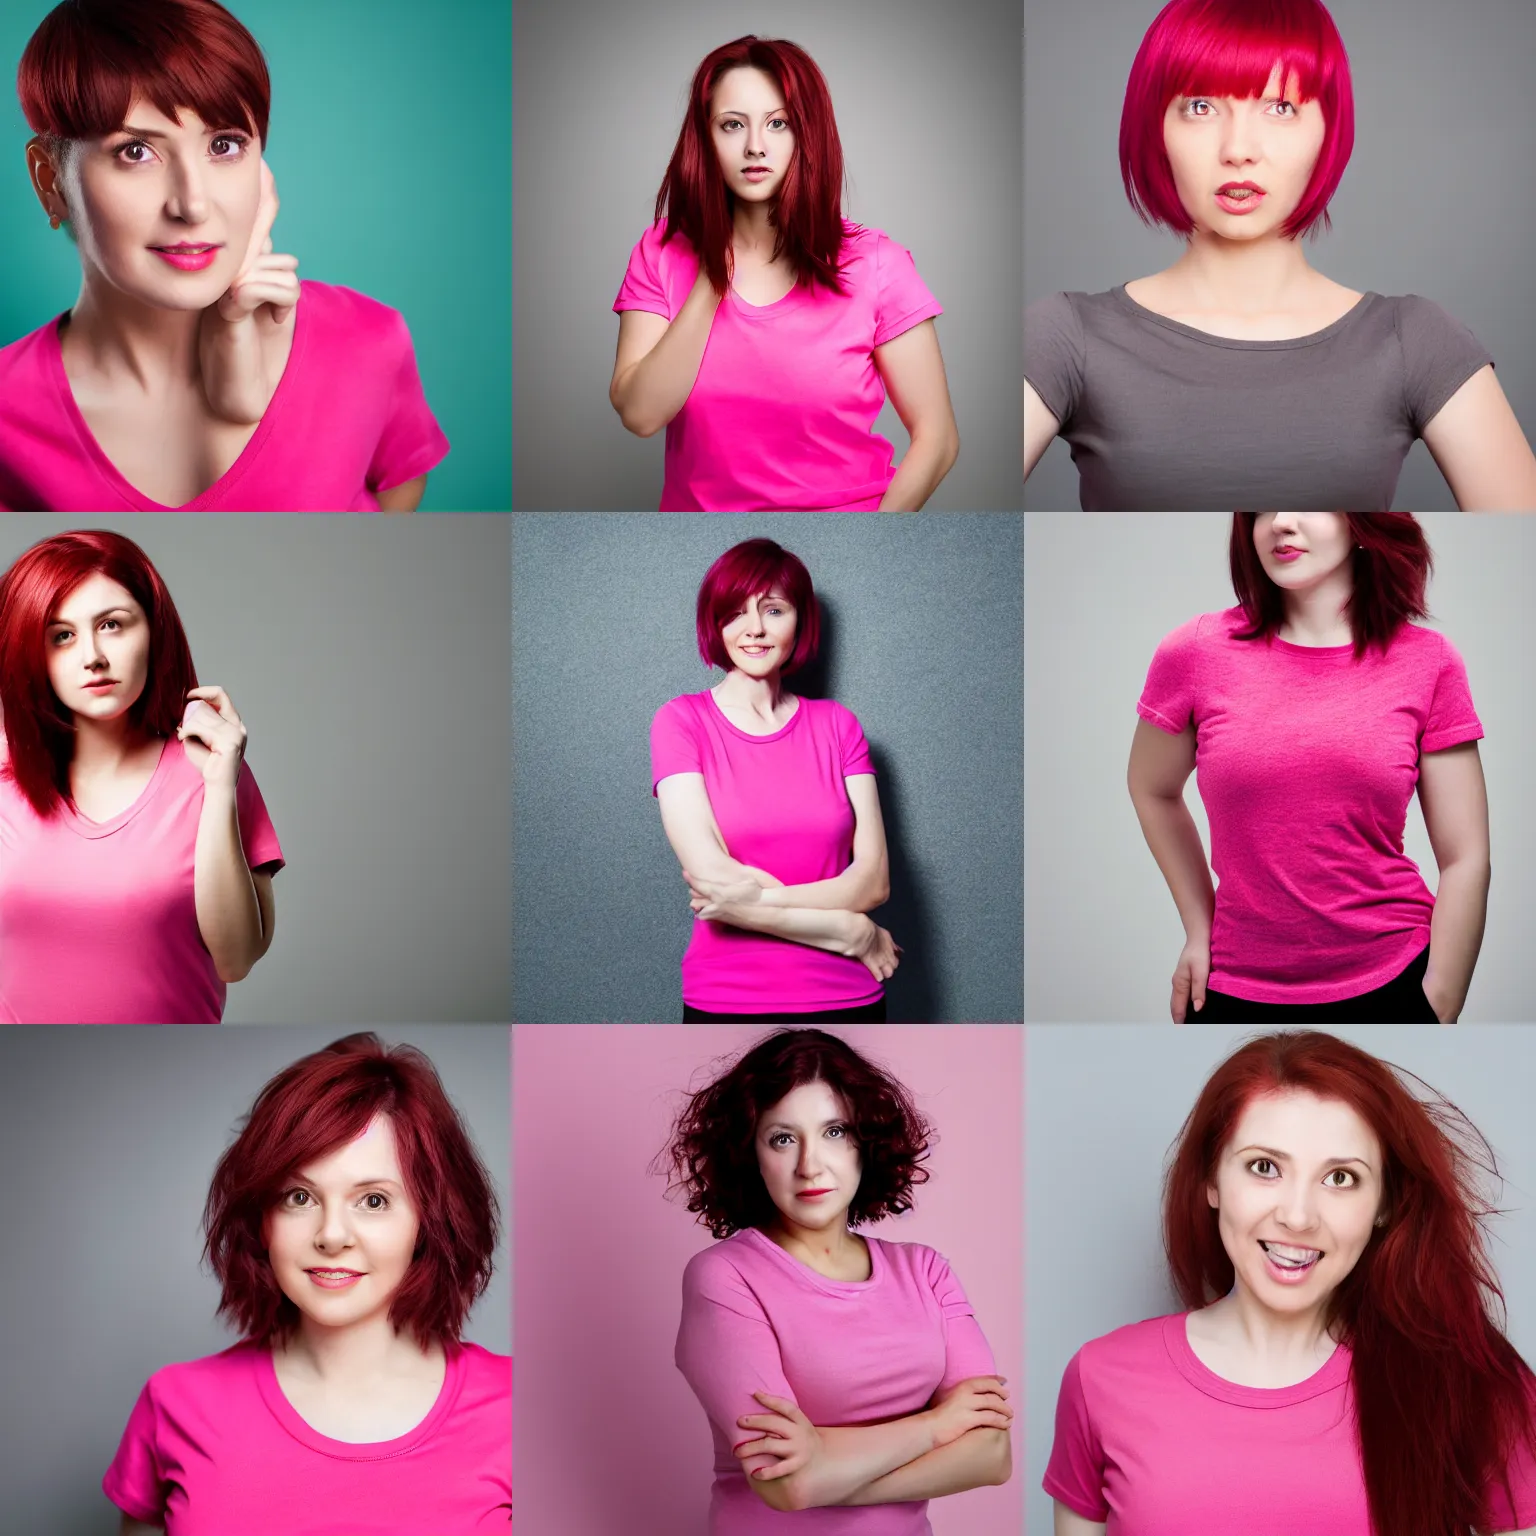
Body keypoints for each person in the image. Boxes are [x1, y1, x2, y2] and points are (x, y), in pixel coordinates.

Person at [1023, 0, 1536, 510]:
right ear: (1155, 127)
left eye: (1281, 107)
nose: (1239, 148)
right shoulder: (1067, 335)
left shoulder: (1414, 339)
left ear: (1327, 129)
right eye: (1200, 106)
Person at [1046, 1028, 1536, 1536]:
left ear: (1385, 1205)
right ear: (1212, 1180)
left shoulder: (1473, 1383)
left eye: (1340, 1178)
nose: (1298, 1217)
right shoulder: (1100, 1378)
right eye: (1264, 1167)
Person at [1, 0, 448, 511]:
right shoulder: (6, 416)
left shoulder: (367, 345)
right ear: (49, 181)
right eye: (135, 151)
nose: (192, 204)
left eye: (225, 145)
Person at [103, 1033, 512, 1533]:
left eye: (374, 1200)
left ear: (428, 1221)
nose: (332, 1235)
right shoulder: (175, 1404)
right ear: (262, 1219)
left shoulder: (524, 1410)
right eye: (299, 1197)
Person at [1127, 513, 1489, 1022]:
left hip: (1394, 971)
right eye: (1262, 510)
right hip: (1231, 984)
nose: (1281, 524)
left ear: (1362, 523)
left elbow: (1466, 856)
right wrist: (1198, 928)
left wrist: (1440, 1001)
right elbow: (1150, 787)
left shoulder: (1429, 662)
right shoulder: (1195, 652)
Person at [660, 1028, 1012, 1529]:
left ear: (865, 1141)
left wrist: (824, 1467)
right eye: (783, 1139)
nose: (810, 1165)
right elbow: (787, 1482)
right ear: (750, 1153)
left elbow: (992, 1455)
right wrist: (937, 1426)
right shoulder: (725, 1276)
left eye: (834, 1132)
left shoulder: (926, 1271)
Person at [610, 35, 959, 511]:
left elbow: (937, 438)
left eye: (778, 124)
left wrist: (873, 541)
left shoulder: (878, 264)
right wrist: (713, 277)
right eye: (733, 125)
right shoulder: (661, 252)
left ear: (807, 134)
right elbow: (640, 414)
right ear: (705, 138)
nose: (756, 146)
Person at [0, 528, 282, 1023]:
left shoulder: (212, 769)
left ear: (153, 630)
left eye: (111, 625)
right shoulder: (6, 781)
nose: (92, 657)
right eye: (61, 636)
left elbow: (236, 960)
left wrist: (218, 787)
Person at [652, 537, 901, 1021]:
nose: (755, 630)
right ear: (715, 622)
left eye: (774, 610)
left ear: (800, 620)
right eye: (736, 613)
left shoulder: (838, 725)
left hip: (849, 993)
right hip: (727, 994)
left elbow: (873, 883)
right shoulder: (680, 722)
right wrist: (849, 932)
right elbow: (711, 876)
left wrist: (752, 903)